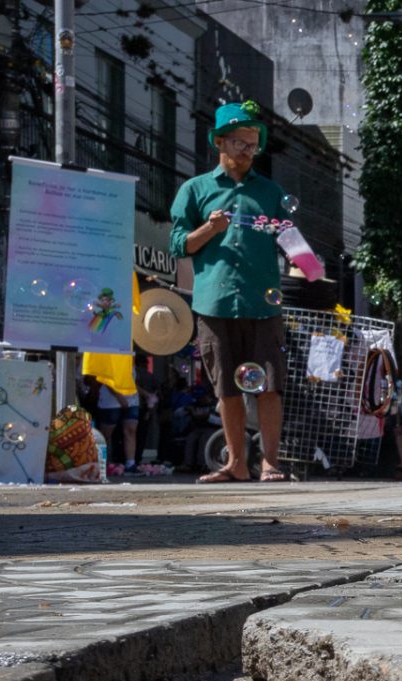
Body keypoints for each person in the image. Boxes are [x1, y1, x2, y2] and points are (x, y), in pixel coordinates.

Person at [169, 100, 292, 484]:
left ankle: (270, 463)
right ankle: (236, 464)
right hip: (214, 303)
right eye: (240, 142)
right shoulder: (195, 190)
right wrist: (210, 229)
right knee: (227, 388)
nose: (248, 150)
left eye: (253, 143)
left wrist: (306, 261)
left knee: (269, 386)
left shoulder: (270, 192)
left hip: (262, 303)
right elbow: (178, 244)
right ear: (219, 142)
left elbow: (290, 239)